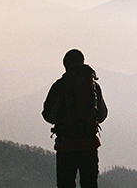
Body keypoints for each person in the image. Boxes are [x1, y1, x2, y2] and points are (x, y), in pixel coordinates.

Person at [42, 49, 107, 188]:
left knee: (66, 184)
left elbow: (49, 116)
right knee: (90, 184)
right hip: (89, 145)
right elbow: (102, 115)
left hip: (66, 146)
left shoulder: (60, 86)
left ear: (65, 65)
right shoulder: (93, 86)